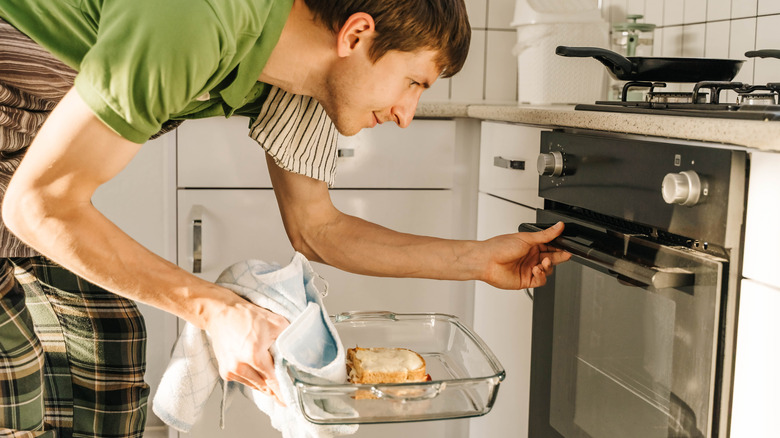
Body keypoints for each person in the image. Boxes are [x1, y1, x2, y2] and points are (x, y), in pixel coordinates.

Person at [0, 0, 571, 436]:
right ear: (357, 34)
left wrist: (474, 259)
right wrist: (217, 310)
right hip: (27, 170)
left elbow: (319, 230)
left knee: (108, 349)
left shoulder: (307, 79)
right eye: (414, 82)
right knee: (14, 378)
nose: (406, 114)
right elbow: (40, 205)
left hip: (29, 161)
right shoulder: (200, 16)